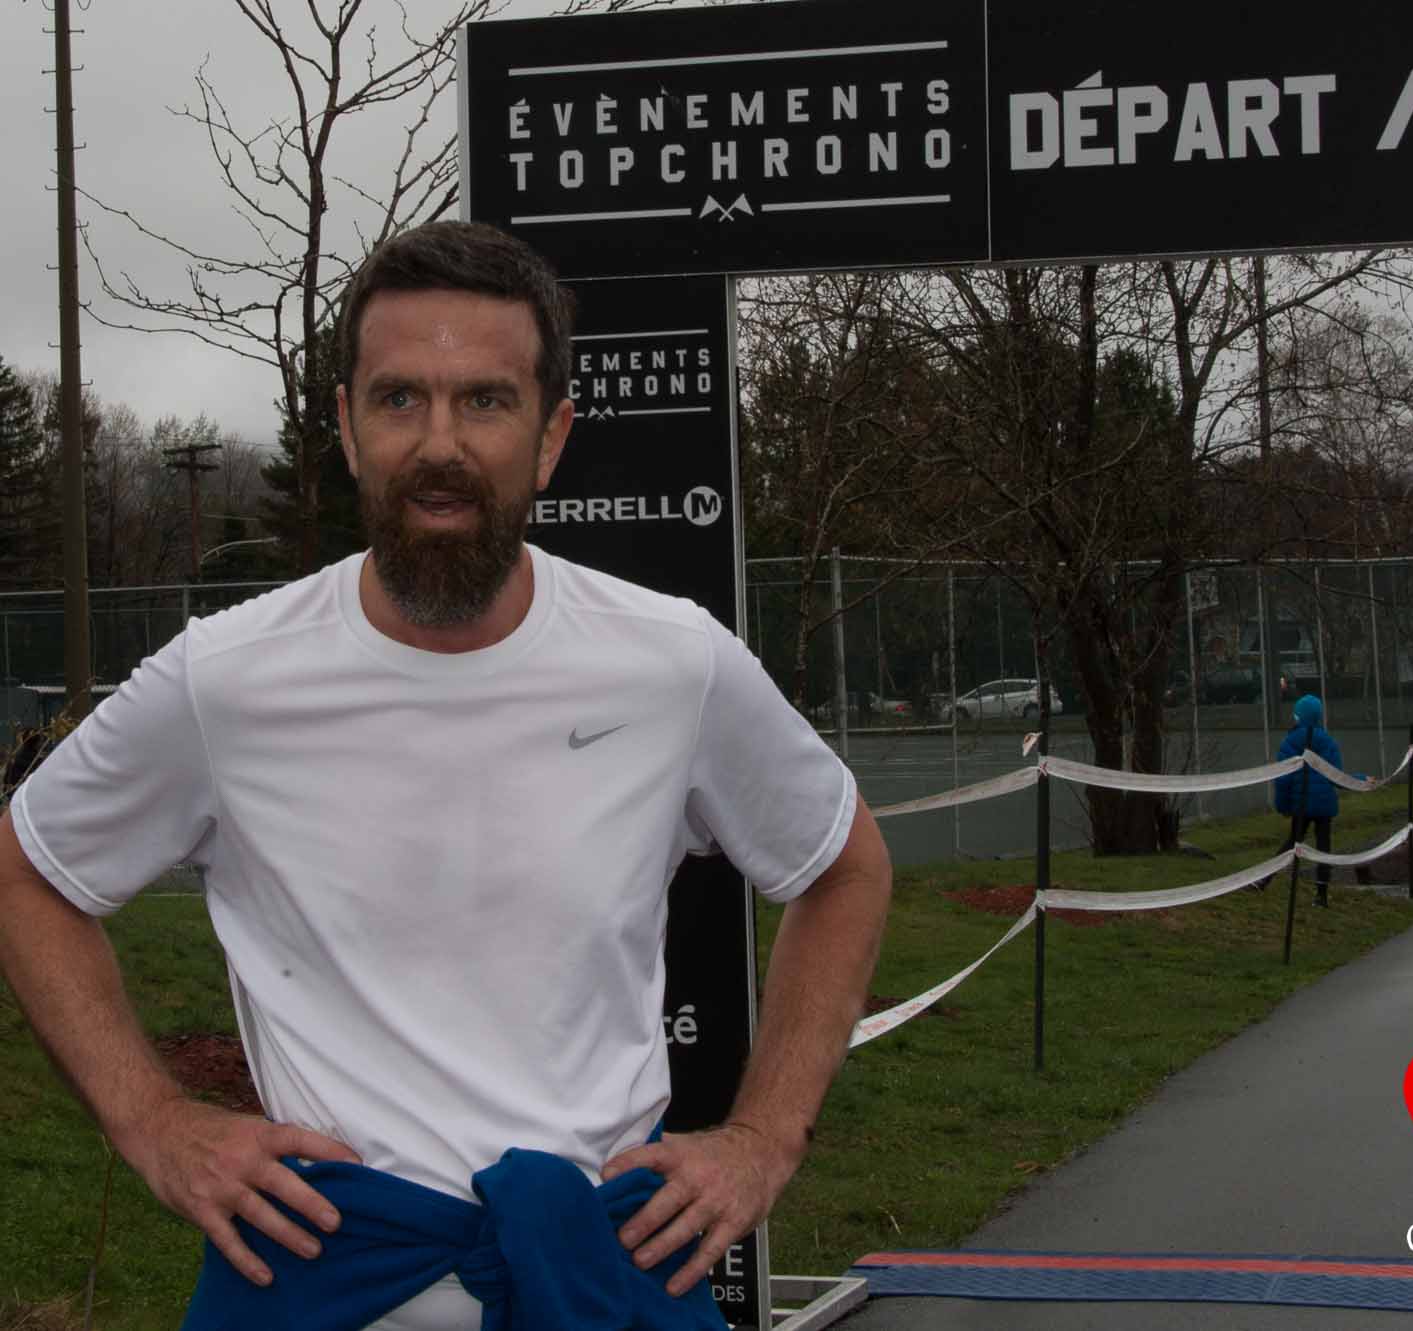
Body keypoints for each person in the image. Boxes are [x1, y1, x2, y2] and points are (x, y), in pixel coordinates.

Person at [0, 220, 892, 1331]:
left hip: (600, 1281)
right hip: (318, 1283)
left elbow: (844, 866)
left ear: (551, 434)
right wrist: (153, 1122)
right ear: (346, 426)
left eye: (485, 400)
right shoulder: (224, 679)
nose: (440, 444)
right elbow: (27, 872)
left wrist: (762, 1138)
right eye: (399, 398)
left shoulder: (673, 662)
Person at [1268, 694, 1366, 906]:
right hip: (1324, 805)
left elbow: (1283, 780)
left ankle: (1264, 879)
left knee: (1292, 842)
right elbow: (1337, 777)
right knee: (1323, 848)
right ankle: (1321, 894)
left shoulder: (1288, 743)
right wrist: (1361, 780)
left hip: (1300, 805)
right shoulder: (1328, 742)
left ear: (1298, 717)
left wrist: (1283, 806)